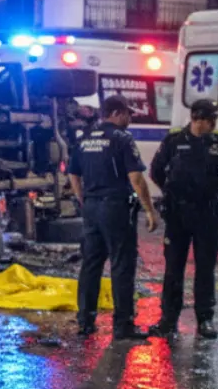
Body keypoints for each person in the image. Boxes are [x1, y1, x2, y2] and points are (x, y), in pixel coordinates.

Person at [68, 94, 160, 341]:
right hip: (116, 208)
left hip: (91, 207)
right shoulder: (122, 138)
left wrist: (83, 199)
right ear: (117, 113)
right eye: (128, 114)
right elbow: (136, 178)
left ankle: (85, 322)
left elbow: (73, 175)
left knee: (91, 265)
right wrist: (150, 210)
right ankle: (123, 326)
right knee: (121, 265)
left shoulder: (84, 138)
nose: (130, 119)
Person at [148, 99, 218, 339]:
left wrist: (211, 188)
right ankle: (168, 320)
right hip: (178, 213)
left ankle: (205, 320)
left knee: (205, 268)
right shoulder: (174, 141)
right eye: (211, 120)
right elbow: (156, 171)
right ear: (199, 119)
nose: (213, 124)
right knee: (174, 267)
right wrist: (171, 191)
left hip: (207, 212)